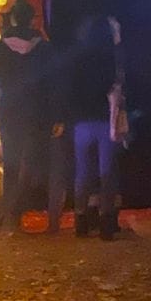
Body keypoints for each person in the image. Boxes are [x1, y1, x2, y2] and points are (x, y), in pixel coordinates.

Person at [0, 0, 61, 230]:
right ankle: (23, 208)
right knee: (32, 165)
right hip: (37, 113)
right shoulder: (43, 48)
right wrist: (56, 113)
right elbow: (54, 81)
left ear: (12, 19)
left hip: (9, 112)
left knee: (10, 164)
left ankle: (10, 216)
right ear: (32, 21)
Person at [55, 13, 124, 240]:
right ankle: (106, 222)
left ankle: (81, 219)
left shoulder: (78, 57)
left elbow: (68, 90)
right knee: (107, 173)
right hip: (106, 120)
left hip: (82, 122)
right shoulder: (112, 58)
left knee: (83, 172)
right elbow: (118, 87)